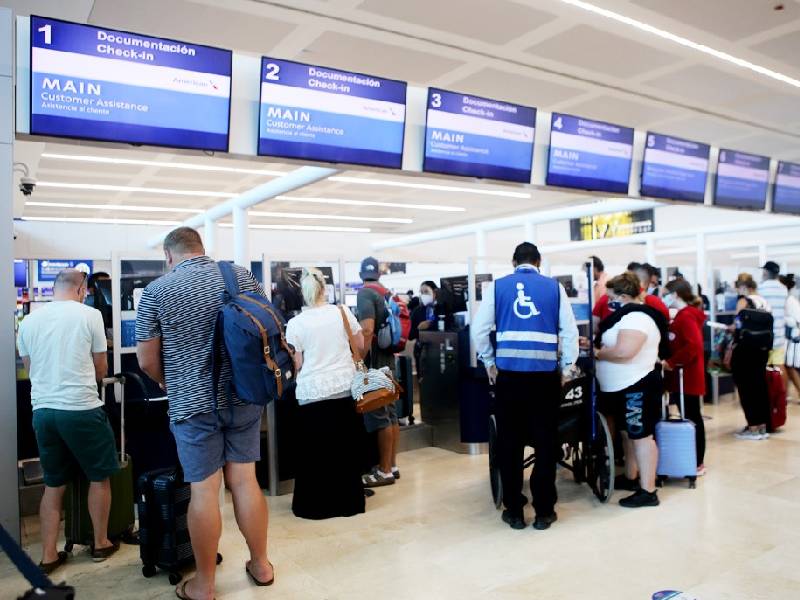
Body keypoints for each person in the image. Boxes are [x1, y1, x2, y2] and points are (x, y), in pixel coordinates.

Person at [135, 227, 274, 600]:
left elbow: (147, 360)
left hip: (192, 405)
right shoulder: (240, 276)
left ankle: (205, 585)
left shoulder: (157, 292)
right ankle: (260, 564)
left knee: (205, 490)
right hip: (244, 396)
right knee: (245, 479)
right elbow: (266, 328)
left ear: (169, 255)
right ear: (201, 248)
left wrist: (170, 382)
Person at [17, 269, 120, 574]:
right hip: (81, 408)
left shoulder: (29, 321)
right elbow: (101, 367)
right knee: (99, 477)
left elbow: (29, 367)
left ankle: (49, 555)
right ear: (81, 289)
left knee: (53, 483)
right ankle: (100, 543)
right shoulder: (89, 315)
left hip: (43, 411)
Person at [473, 242, 579, 531]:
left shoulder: (496, 288)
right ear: (539, 262)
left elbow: (479, 330)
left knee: (510, 444)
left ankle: (515, 512)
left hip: (509, 378)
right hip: (545, 378)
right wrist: (567, 368)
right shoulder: (554, 288)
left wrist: (489, 361)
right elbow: (569, 331)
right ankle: (544, 511)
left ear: (513, 262)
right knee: (545, 444)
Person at [285, 268, 367, 519]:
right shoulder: (341, 313)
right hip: (343, 389)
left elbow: (297, 363)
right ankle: (349, 502)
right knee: (345, 449)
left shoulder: (296, 324)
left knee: (315, 453)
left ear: (303, 293)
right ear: (324, 289)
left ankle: (315, 506)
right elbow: (360, 346)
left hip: (312, 393)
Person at [595, 272, 670, 508]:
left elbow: (623, 352)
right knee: (629, 435)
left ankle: (648, 491)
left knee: (641, 436)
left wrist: (597, 353)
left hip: (636, 385)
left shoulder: (637, 318)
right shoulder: (627, 316)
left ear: (625, 296)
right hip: (623, 386)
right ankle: (631, 477)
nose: (608, 303)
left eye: (611, 298)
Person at [356, 256, 400, 487]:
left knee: (380, 417)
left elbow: (366, 329)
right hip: (389, 362)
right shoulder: (385, 292)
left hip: (374, 366)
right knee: (391, 414)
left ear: (361, 274)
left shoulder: (365, 294)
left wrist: (358, 361)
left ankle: (384, 472)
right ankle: (391, 465)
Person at [661, 280, 707, 476]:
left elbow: (693, 346)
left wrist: (671, 362)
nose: (663, 298)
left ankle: (697, 461)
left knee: (692, 417)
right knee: (690, 415)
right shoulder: (682, 315)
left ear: (675, 295)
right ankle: (694, 459)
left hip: (686, 376)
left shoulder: (686, 317)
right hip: (682, 376)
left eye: (665, 294)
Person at [730, 277, 771, 441]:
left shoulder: (744, 301)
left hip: (744, 350)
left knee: (746, 388)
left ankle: (752, 427)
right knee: (759, 387)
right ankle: (762, 427)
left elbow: (736, 325)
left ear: (743, 287)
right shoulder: (764, 301)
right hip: (761, 350)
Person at [409, 280, 449, 379]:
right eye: (421, 292)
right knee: (423, 382)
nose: (423, 295)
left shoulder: (443, 308)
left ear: (435, 293)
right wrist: (419, 329)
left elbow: (449, 325)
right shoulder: (417, 311)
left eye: (426, 292)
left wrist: (431, 324)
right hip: (421, 350)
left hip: (440, 349)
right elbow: (410, 335)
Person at [759, 261, 788, 380]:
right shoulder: (784, 289)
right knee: (779, 367)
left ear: (766, 272)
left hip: (764, 336)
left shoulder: (761, 288)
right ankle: (783, 397)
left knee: (763, 369)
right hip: (779, 336)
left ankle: (769, 397)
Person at [781, 274, 800, 401]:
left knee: (790, 366)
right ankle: (785, 393)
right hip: (789, 338)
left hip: (793, 338)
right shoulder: (786, 299)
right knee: (788, 366)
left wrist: (783, 319)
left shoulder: (790, 301)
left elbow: (797, 320)